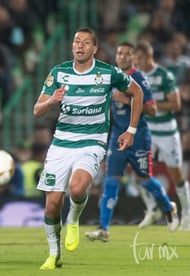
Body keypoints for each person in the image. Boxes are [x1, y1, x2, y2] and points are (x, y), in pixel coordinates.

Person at [33, 27, 144, 270]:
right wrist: (52, 100)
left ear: (95, 48)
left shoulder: (107, 72)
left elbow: (137, 92)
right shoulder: (59, 72)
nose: (79, 46)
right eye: (76, 42)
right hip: (61, 143)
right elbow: (37, 110)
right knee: (52, 204)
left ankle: (73, 217)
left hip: (92, 141)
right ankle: (54, 254)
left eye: (85, 42)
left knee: (77, 187)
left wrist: (131, 130)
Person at [84, 42, 179, 243]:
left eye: (128, 54)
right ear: (116, 56)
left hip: (138, 138)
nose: (123, 57)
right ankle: (104, 229)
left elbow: (152, 110)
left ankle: (169, 208)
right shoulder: (111, 78)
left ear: (133, 58)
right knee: (111, 182)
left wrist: (129, 101)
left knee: (145, 180)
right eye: (120, 53)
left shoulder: (139, 79)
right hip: (117, 139)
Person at [135, 41, 190, 230]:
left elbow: (175, 105)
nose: (137, 61)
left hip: (166, 132)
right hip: (146, 131)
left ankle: (187, 214)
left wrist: (150, 107)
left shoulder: (164, 76)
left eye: (139, 58)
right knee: (140, 171)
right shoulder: (136, 76)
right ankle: (152, 209)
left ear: (149, 56)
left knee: (176, 175)